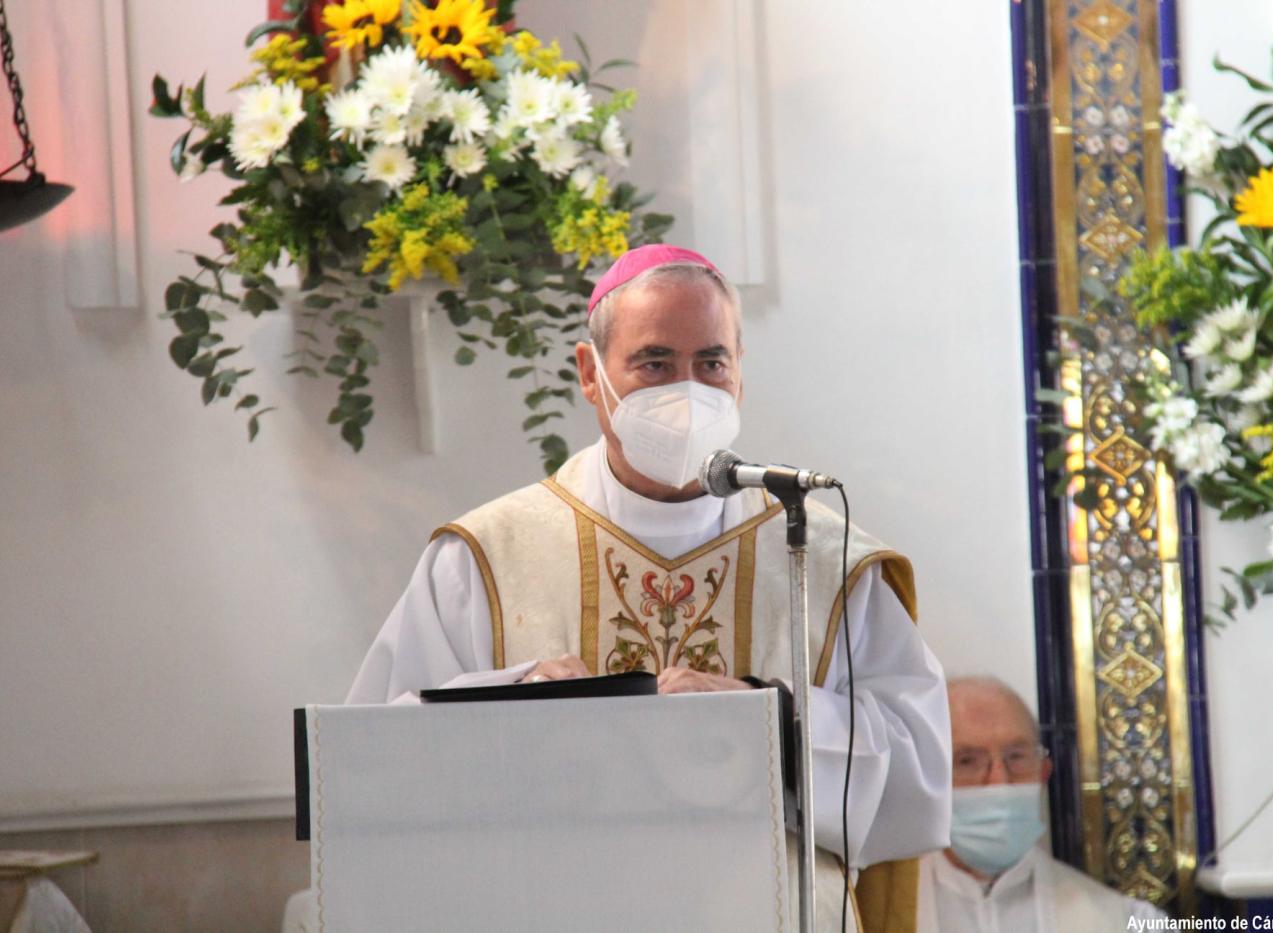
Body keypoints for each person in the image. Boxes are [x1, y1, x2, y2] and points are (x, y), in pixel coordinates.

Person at [346, 243, 951, 931]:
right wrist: (507, 710)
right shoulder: (485, 555)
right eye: (655, 362)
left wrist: (772, 719)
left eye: (711, 363)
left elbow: (920, 785)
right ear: (589, 371)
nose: (686, 390)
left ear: (741, 375)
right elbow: (368, 769)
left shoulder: (826, 556)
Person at [895, 676, 1167, 932]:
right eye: (967, 760)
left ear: (1043, 771)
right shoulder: (879, 913)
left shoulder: (1124, 921)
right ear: (928, 778)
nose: (999, 781)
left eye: (1016, 756)